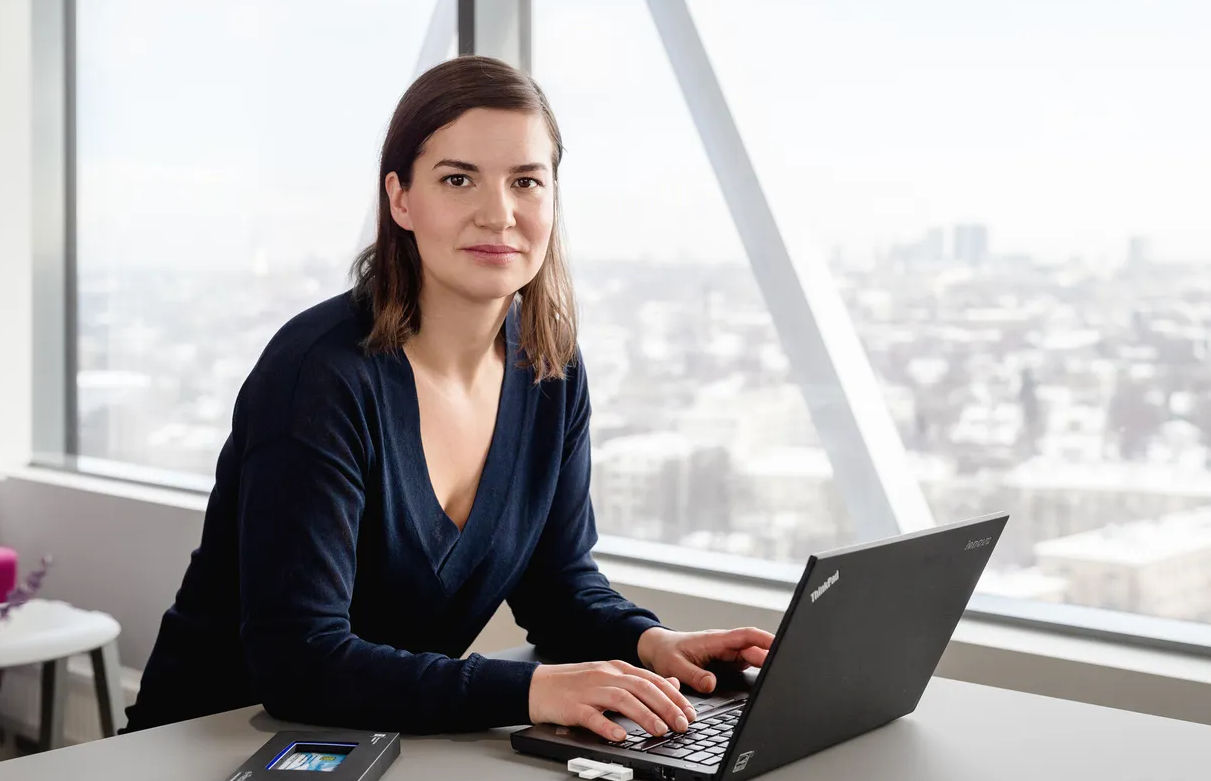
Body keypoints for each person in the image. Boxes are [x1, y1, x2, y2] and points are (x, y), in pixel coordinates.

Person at [124, 56, 774, 743]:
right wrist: (530, 688)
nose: (499, 213)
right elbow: (298, 661)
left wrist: (652, 643)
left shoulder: (550, 367)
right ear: (401, 198)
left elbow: (557, 586)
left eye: (527, 181)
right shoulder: (319, 376)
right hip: (211, 755)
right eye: (458, 179)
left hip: (379, 748)